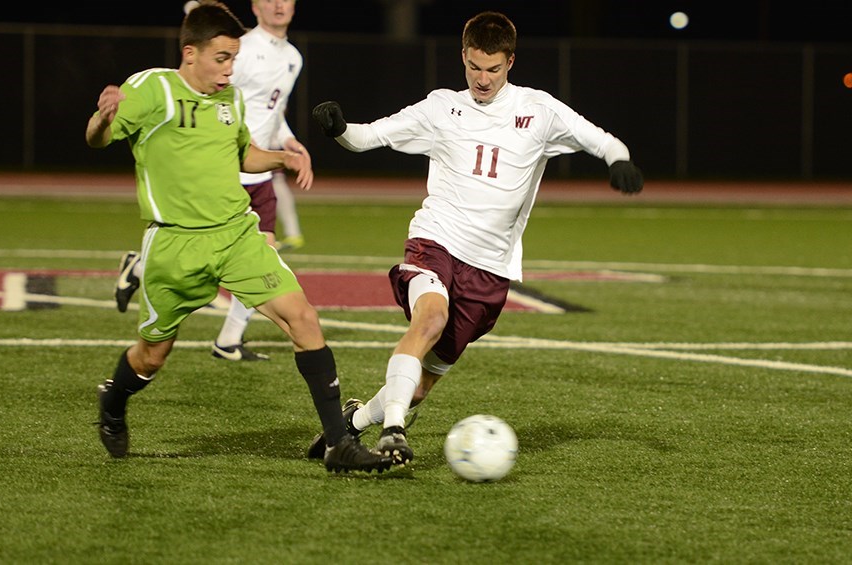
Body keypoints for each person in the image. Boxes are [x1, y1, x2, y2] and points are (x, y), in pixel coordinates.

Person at [306, 11, 643, 466]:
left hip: (490, 267)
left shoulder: (539, 110)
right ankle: (394, 431)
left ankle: (356, 420)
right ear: (463, 57)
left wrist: (617, 161)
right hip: (436, 240)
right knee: (429, 320)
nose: (483, 79)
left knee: (424, 383)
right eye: (475, 67)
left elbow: (603, 140)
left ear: (511, 62)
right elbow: (369, 137)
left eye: (494, 69)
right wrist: (340, 130)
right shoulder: (440, 107)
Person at [87, 1, 391, 473]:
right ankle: (114, 401)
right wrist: (104, 118)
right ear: (190, 53)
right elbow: (98, 138)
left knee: (303, 318)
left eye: (234, 59)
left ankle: (338, 444)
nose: (231, 71)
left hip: (236, 236)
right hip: (175, 246)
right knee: (151, 356)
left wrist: (281, 158)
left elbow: (242, 153)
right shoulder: (153, 89)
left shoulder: (228, 98)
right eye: (222, 59)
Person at [115, 0, 308, 362]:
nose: (280, 5)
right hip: (229, 168)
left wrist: (286, 141)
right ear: (255, 7)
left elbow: (272, 109)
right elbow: (211, 94)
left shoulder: (293, 57)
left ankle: (229, 339)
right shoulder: (243, 49)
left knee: (263, 254)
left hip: (261, 169)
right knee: (212, 254)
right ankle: (143, 266)